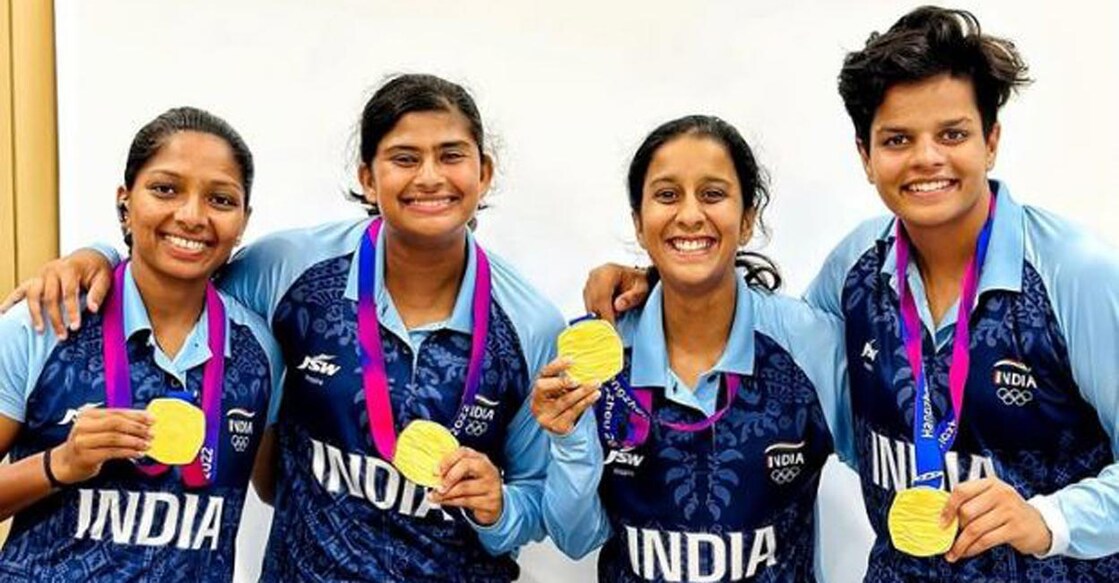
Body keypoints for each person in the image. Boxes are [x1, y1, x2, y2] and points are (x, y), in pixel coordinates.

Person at [583, 7, 1119, 581]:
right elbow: (768, 339)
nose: (926, 158)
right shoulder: (855, 269)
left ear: (991, 141)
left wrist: (1052, 519)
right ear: (866, 156)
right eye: (897, 139)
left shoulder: (1074, 274)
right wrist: (659, 278)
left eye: (953, 134)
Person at [3, 74, 564, 581]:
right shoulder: (285, 273)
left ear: (483, 172)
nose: (429, 177)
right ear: (367, 178)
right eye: (404, 157)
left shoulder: (530, 324)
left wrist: (499, 507)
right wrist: (96, 253)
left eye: (450, 155)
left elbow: (542, 506)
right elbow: (179, 267)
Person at [532, 115, 850, 582]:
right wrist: (568, 439)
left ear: (747, 221)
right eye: (666, 195)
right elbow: (575, 537)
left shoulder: (808, 343)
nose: (689, 214)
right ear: (639, 225)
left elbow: (890, 459)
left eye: (713, 194)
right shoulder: (595, 352)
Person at [0, 107, 284, 581]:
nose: (192, 216)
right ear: (125, 203)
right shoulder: (45, 321)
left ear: (243, 221)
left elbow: (279, 486)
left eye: (220, 199)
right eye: (165, 189)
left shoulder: (259, 350)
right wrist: (59, 464)